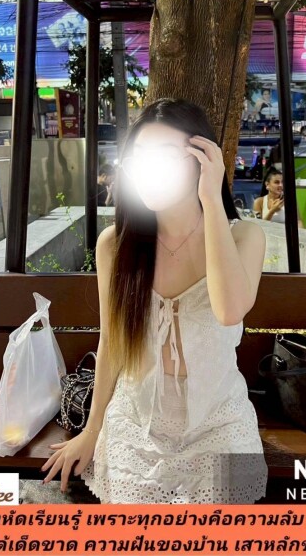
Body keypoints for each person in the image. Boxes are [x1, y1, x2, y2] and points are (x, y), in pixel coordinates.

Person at [41, 98, 268, 504]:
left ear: (201, 161)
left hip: (219, 419)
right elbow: (113, 341)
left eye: (165, 157)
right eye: (140, 158)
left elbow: (229, 309)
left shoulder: (244, 237)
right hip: (136, 418)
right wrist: (92, 431)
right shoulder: (117, 245)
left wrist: (211, 198)